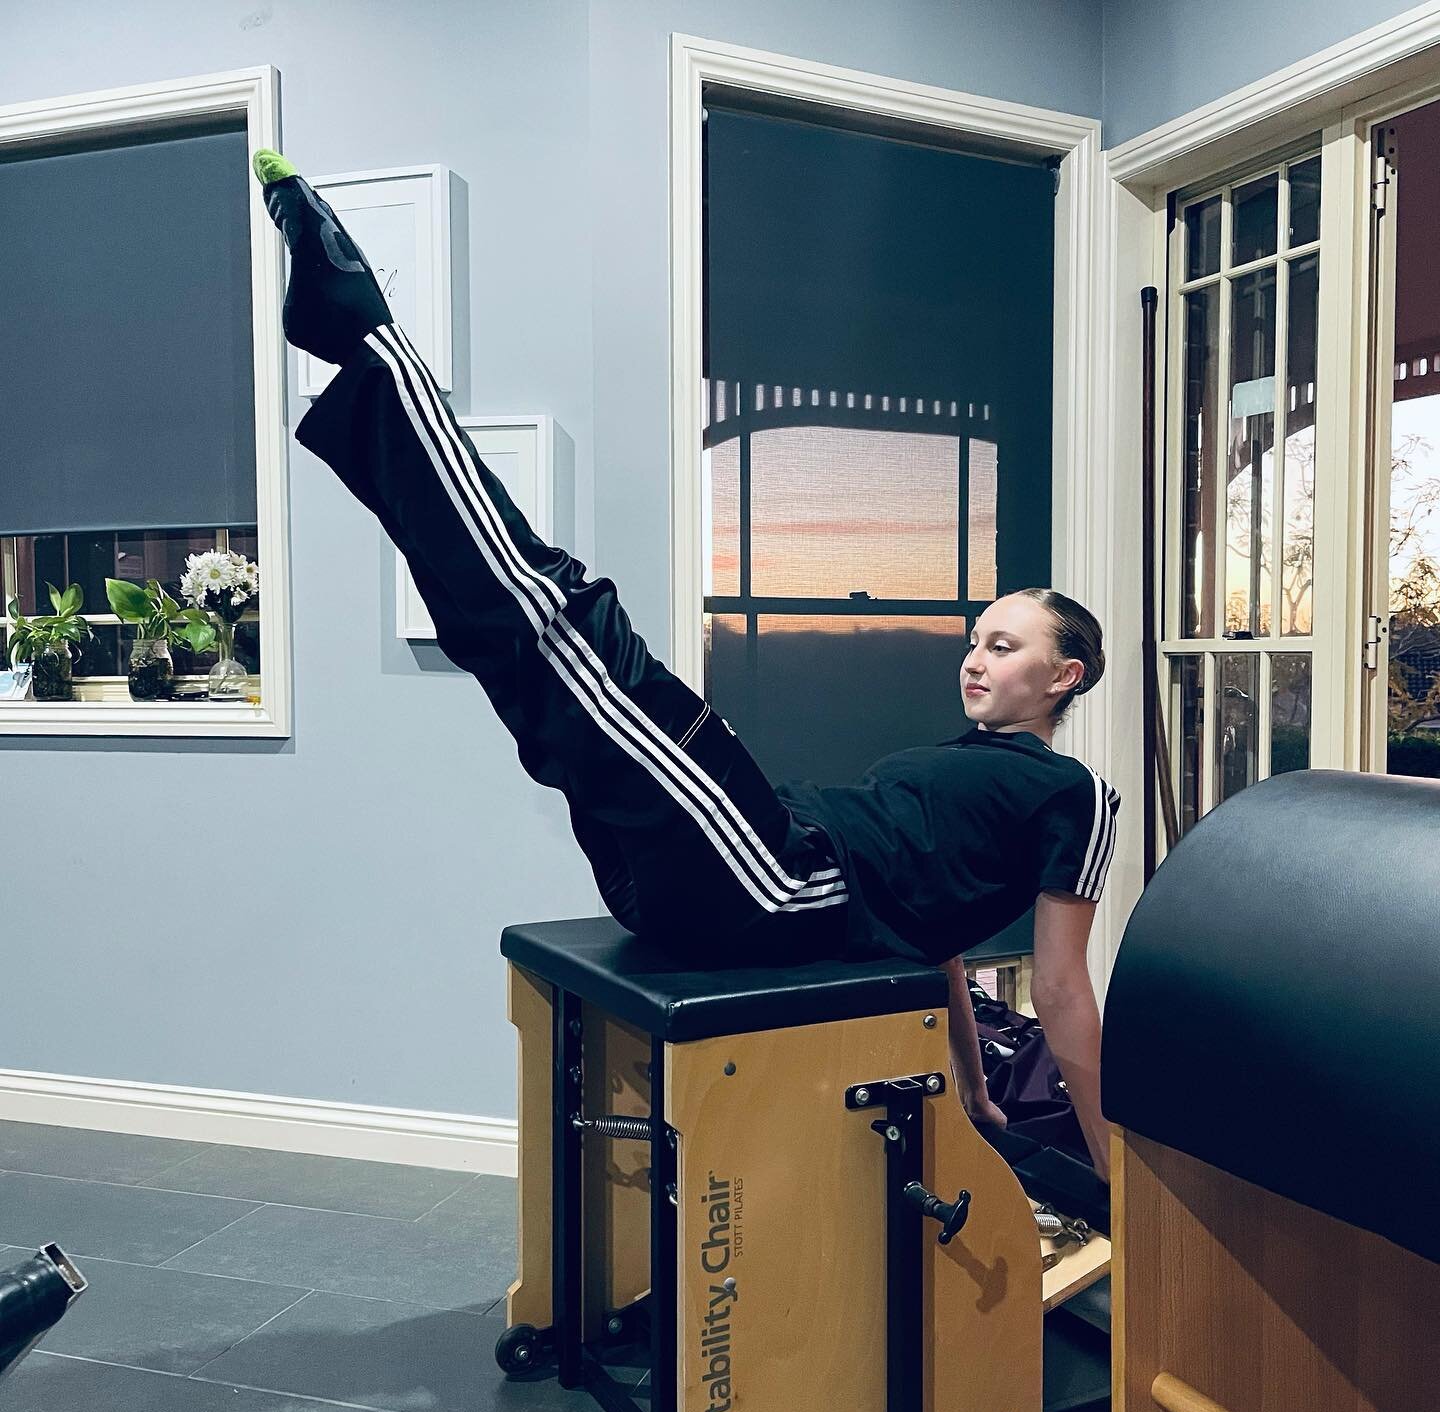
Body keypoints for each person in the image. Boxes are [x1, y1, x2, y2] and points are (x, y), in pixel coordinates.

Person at [251, 150, 1119, 1179]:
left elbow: (1063, 987)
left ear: (1066, 676)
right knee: (526, 668)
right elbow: (937, 945)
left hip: (781, 876)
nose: (976, 657)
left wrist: (1114, 1167)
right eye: (975, 637)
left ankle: (368, 340)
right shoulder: (968, 764)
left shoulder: (1073, 794)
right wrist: (969, 1084)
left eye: (1007, 643)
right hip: (729, 868)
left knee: (564, 629)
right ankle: (364, 366)